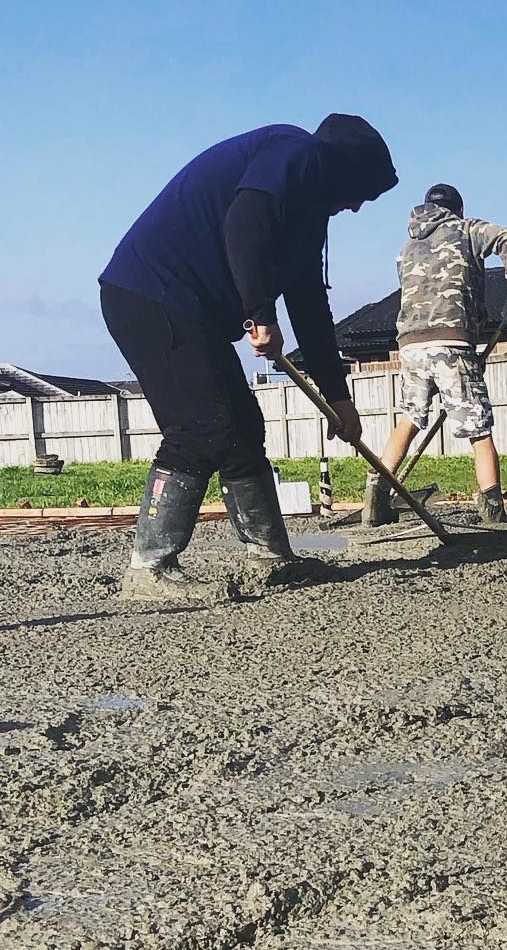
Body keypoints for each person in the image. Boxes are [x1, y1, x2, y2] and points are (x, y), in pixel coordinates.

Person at [99, 114, 397, 599]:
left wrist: (337, 395)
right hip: (151, 295)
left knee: (241, 427)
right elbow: (246, 224)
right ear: (342, 170)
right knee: (203, 425)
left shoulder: (308, 211)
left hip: (189, 309)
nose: (358, 206)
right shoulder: (291, 152)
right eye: (361, 192)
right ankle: (148, 567)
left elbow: (309, 304)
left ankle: (268, 553)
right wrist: (260, 314)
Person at [362, 183, 507, 527]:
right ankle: (494, 512)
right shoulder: (466, 229)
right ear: (458, 209)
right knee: (478, 428)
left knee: (409, 418)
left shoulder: (407, 247)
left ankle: (374, 502)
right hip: (451, 342)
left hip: (409, 344)